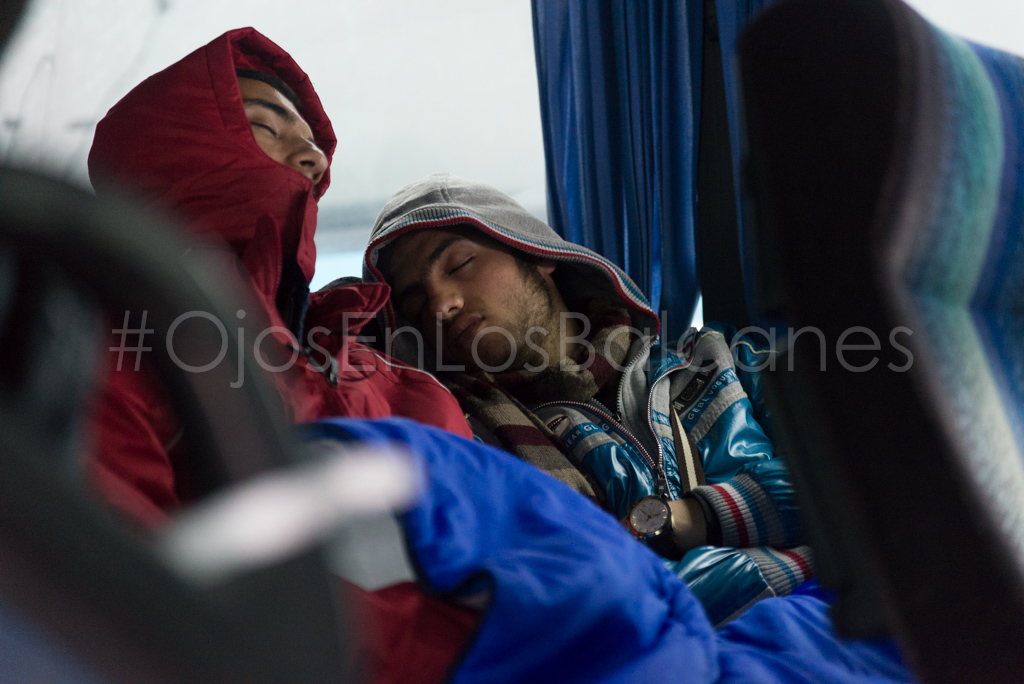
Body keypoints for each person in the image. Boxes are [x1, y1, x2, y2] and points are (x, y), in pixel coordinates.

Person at [86, 29, 477, 684]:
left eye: (315, 146)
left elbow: (510, 542)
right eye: (267, 128)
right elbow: (113, 606)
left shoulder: (402, 384)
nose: (313, 158)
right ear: (170, 154)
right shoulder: (117, 352)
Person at [364, 172, 812, 625]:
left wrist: (683, 519)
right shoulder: (472, 448)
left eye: (460, 264)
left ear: (537, 253)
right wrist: (803, 561)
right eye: (418, 305)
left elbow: (849, 479)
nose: (441, 304)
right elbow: (581, 605)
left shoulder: (719, 360)